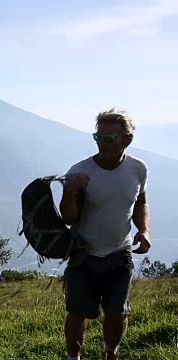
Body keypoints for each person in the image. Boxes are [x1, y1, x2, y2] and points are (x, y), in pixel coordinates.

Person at [59, 108, 151, 360]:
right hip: (84, 255)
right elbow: (68, 218)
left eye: (109, 138)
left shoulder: (138, 169)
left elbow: (140, 201)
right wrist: (70, 191)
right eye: (97, 137)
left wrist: (144, 230)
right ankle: (73, 357)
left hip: (120, 253)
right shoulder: (79, 171)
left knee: (117, 311)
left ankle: (110, 352)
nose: (102, 143)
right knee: (78, 312)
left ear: (127, 140)